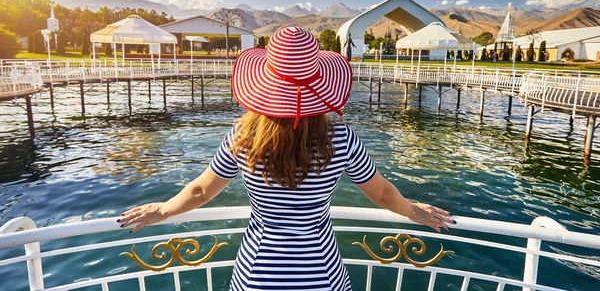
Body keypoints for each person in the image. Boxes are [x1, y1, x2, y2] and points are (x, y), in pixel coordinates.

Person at [118, 27, 454, 290]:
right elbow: (381, 194)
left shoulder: (243, 138)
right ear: (321, 83)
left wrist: (160, 211)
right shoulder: (341, 141)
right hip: (322, 275)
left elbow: (200, 192)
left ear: (264, 82)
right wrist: (415, 212)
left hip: (256, 275)